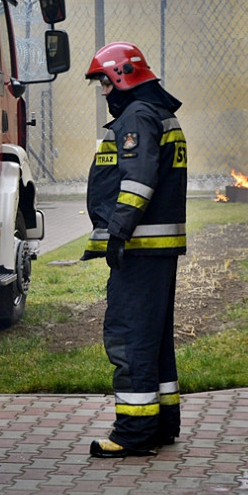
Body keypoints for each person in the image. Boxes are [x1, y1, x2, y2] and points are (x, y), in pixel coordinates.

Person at [81, 42, 187, 458]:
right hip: (156, 250)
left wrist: (118, 232)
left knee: (130, 338)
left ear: (121, 77)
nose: (104, 93)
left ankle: (134, 433)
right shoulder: (159, 114)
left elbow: (138, 180)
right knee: (155, 340)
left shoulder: (137, 117)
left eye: (104, 83)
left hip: (140, 248)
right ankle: (161, 423)